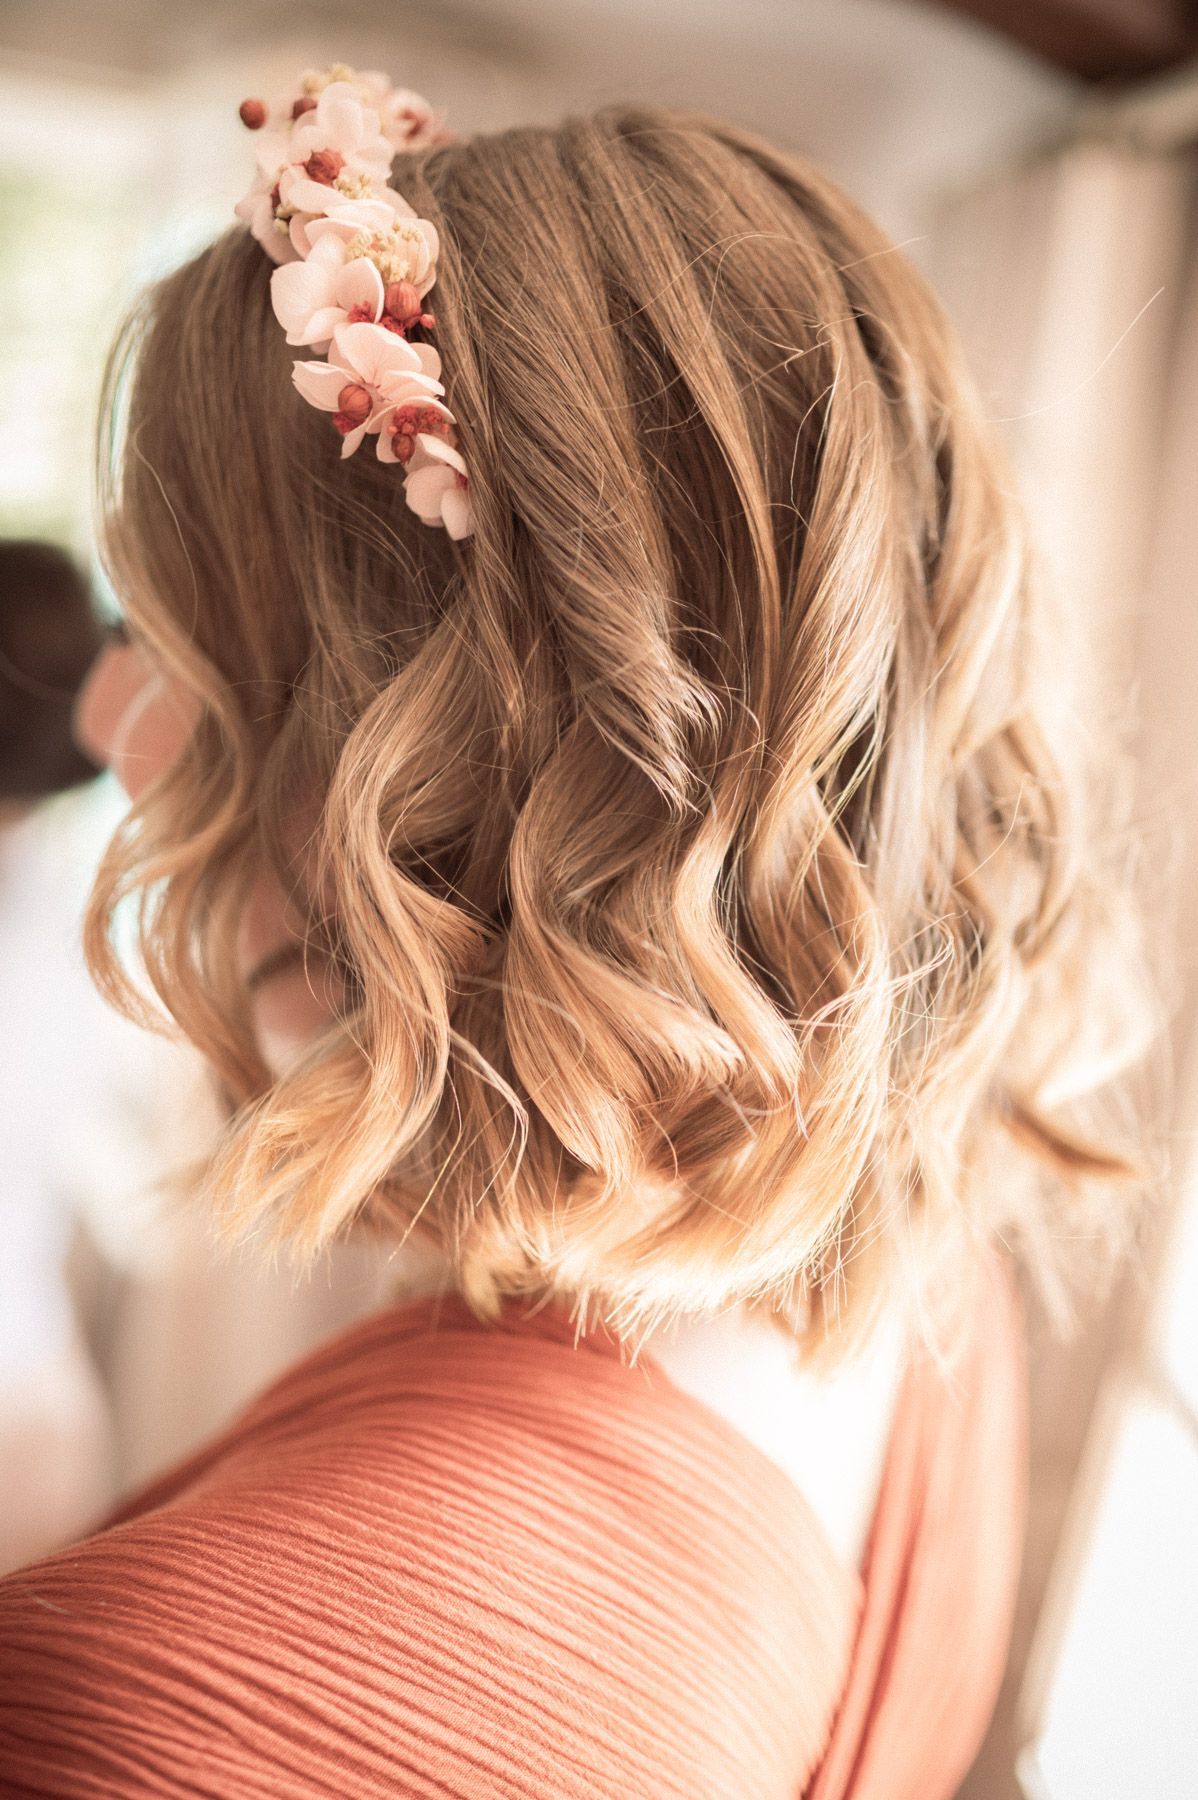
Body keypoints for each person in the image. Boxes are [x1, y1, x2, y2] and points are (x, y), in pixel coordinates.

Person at [0, 69, 1154, 1798]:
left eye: (204, 644)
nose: (129, 731)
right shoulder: (906, 1263)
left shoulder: (180, 1723)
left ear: (462, 741)